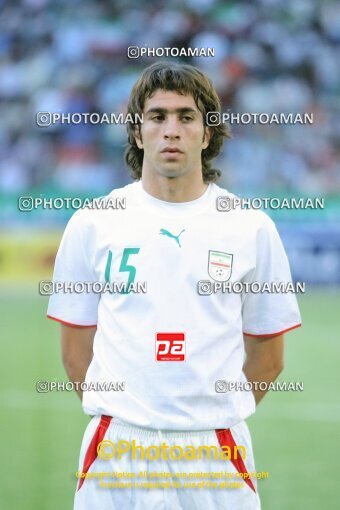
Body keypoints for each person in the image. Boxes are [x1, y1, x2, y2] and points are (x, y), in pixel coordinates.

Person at [47, 62, 301, 510]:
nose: (171, 130)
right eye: (157, 116)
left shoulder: (250, 227)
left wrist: (208, 418)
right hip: (116, 449)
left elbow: (268, 358)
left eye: (186, 117)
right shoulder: (92, 222)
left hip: (215, 451)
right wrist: (132, 416)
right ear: (137, 132)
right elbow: (74, 353)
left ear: (207, 134)